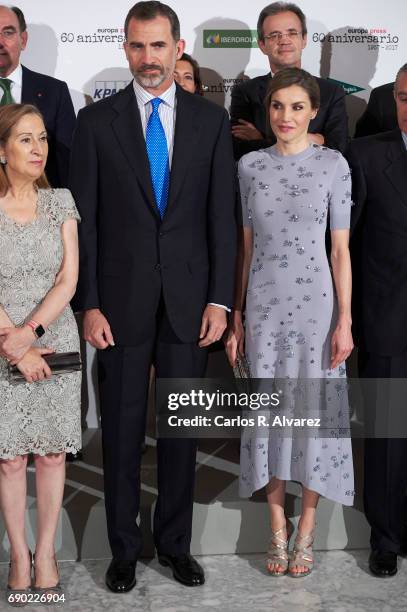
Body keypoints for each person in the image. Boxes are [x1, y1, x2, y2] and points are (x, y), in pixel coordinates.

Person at [70, 1, 236, 592]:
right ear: (125, 48)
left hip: (191, 302)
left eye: (158, 46)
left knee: (182, 429)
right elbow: (83, 223)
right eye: (138, 47)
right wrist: (87, 303)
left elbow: (222, 216)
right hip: (116, 303)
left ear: (178, 46)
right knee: (119, 427)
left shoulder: (210, 121)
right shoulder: (96, 123)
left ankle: (174, 545)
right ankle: (122, 549)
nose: (148, 59)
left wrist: (221, 299)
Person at [226, 67, 354, 577]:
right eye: (278, 106)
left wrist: (345, 320)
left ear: (314, 111)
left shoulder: (333, 165)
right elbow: (245, 248)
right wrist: (236, 316)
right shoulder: (250, 167)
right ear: (267, 110)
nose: (286, 116)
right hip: (262, 309)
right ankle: (276, 531)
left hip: (318, 311)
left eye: (297, 107)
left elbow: (341, 250)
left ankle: (308, 532)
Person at [0, 103, 81, 596]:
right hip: (3, 340)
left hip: (52, 338)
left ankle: (46, 550)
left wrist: (30, 335)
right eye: (26, 139)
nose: (38, 149)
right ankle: (18, 553)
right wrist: (13, 345)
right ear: (2, 149)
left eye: (43, 138)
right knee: (9, 459)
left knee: (51, 454)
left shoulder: (61, 202)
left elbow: (68, 280)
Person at [347, 63, 407, 578]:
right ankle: (384, 536)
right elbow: (347, 246)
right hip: (388, 318)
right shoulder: (367, 154)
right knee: (388, 435)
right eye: (406, 97)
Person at [230, 2, 348, 160]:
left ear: (304, 39)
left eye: (292, 33)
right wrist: (316, 139)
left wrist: (261, 140)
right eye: (274, 35)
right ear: (262, 45)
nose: (284, 40)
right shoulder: (245, 93)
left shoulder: (331, 92)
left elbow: (339, 148)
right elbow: (237, 149)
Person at [0, 5, 76, 187]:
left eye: (8, 33)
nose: (0, 41)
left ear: (23, 40)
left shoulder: (55, 92)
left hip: (39, 207)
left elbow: (68, 162)